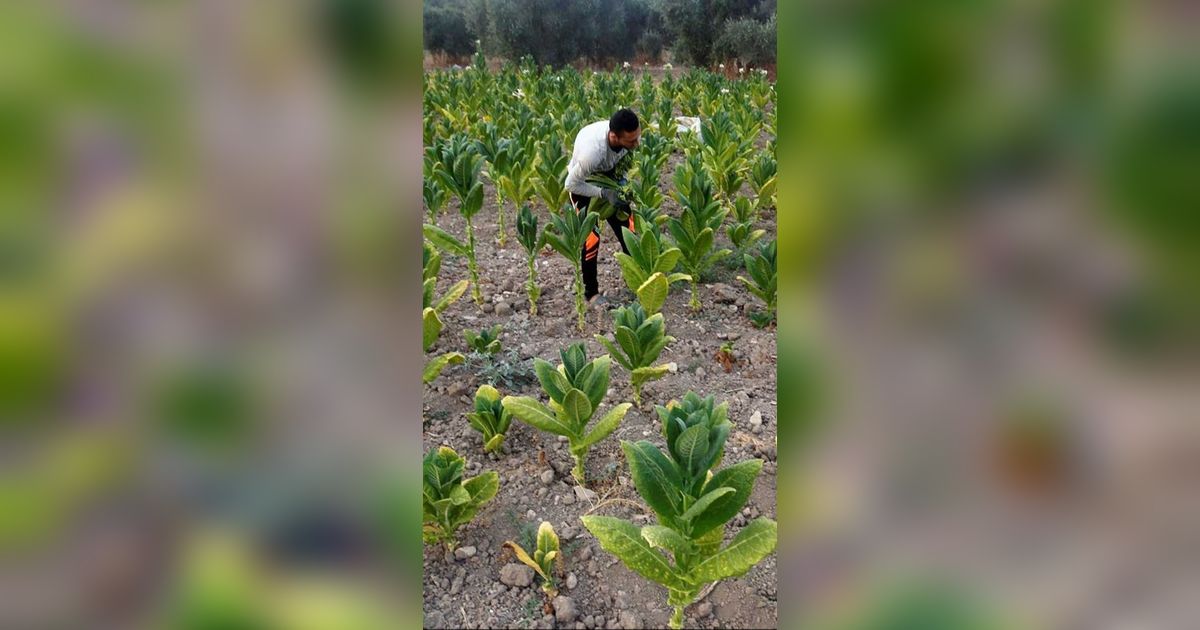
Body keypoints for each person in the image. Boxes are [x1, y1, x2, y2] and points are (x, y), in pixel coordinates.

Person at [563, 108, 640, 308]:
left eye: (637, 138)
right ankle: (591, 294)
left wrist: (622, 186)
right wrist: (604, 194)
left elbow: (621, 162)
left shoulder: (625, 136)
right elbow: (570, 184)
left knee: (628, 230)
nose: (637, 144)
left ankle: (636, 281)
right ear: (614, 136)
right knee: (591, 238)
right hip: (583, 185)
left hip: (608, 179)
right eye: (632, 141)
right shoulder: (592, 153)